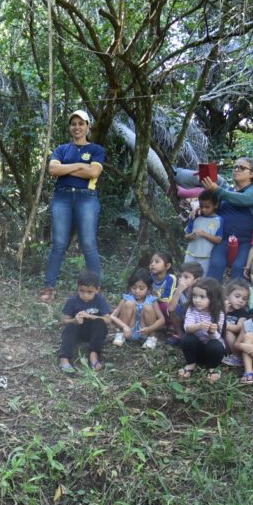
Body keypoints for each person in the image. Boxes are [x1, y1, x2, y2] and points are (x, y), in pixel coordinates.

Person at [40, 109, 105, 302]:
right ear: (70, 127)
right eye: (73, 124)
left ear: (87, 126)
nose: (77, 127)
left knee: (88, 244)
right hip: (62, 198)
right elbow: (53, 169)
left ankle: (96, 289)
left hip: (87, 198)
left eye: (81, 123)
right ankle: (49, 287)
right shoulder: (62, 149)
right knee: (59, 243)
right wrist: (79, 166)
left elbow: (93, 173)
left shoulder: (96, 150)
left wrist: (66, 169)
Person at [201, 157, 253, 281]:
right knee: (216, 264)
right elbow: (214, 211)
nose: (237, 170)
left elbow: (244, 199)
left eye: (242, 168)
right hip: (223, 240)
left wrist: (218, 190)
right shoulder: (226, 192)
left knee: (238, 268)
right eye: (235, 167)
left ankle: (238, 299)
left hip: (248, 241)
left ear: (252, 173)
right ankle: (210, 298)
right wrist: (198, 209)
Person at [58, 270, 111, 373]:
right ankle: (64, 359)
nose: (85, 295)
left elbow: (108, 320)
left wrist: (90, 316)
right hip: (78, 331)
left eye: (89, 292)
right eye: (82, 291)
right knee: (71, 325)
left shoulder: (100, 300)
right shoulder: (73, 300)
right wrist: (74, 320)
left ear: (97, 290)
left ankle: (93, 355)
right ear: (78, 288)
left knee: (100, 322)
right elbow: (64, 320)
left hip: (94, 332)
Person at [178, 277, 226, 382]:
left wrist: (212, 331)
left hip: (211, 352)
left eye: (202, 297)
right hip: (196, 350)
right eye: (195, 296)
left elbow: (218, 337)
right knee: (187, 338)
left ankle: (212, 368)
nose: (197, 300)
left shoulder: (219, 313)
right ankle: (191, 363)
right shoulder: (192, 309)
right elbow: (187, 328)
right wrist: (198, 326)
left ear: (213, 298)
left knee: (216, 345)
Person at [109, 268, 163, 348]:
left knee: (147, 307)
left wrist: (149, 329)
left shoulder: (151, 300)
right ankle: (120, 335)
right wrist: (124, 326)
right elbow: (112, 316)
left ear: (148, 288)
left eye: (141, 288)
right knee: (129, 304)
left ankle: (151, 338)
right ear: (130, 287)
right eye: (134, 288)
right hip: (128, 331)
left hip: (145, 331)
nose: (137, 291)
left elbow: (162, 319)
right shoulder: (127, 298)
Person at [183, 189, 224, 272]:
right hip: (190, 254)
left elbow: (219, 239)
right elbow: (186, 236)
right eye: (201, 206)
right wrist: (190, 237)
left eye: (207, 207)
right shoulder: (195, 217)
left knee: (201, 280)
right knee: (186, 275)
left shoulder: (218, 220)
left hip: (205, 257)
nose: (204, 209)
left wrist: (204, 234)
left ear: (215, 205)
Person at [166, 261, 204, 344]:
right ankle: (180, 335)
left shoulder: (201, 292)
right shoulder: (179, 290)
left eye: (186, 277)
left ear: (197, 280)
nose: (181, 279)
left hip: (198, 321)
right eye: (180, 276)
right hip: (185, 320)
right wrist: (179, 291)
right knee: (176, 308)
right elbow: (170, 309)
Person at [221, 279, 252, 366]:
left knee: (228, 332)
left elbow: (239, 328)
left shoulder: (242, 312)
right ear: (227, 295)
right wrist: (224, 312)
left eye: (244, 299)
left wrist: (223, 325)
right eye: (237, 296)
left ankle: (237, 357)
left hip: (233, 343)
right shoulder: (221, 308)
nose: (241, 300)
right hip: (219, 340)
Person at [148, 251, 177, 329]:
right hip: (152, 301)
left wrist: (156, 295)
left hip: (164, 303)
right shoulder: (150, 276)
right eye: (151, 262)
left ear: (167, 266)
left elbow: (168, 297)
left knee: (165, 306)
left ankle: (170, 324)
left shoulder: (170, 278)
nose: (152, 264)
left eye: (157, 262)